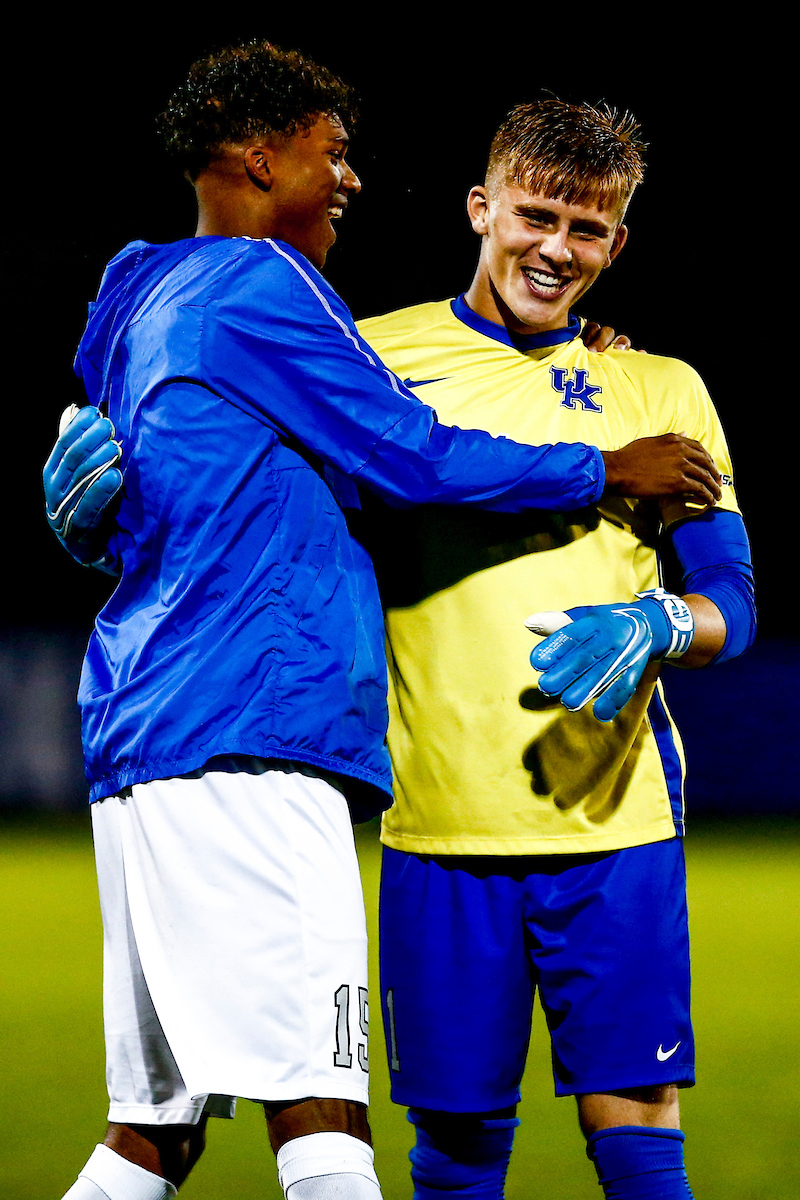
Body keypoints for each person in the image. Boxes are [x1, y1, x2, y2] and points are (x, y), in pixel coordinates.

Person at [41, 44, 725, 1200]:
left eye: (590, 228)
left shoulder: (134, 283)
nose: (349, 175)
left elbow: (120, 461)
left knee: (156, 1130)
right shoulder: (283, 293)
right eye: (332, 150)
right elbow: (408, 451)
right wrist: (602, 460)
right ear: (260, 155)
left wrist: (83, 524)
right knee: (324, 1111)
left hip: (142, 734)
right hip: (255, 732)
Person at [352, 99, 756, 1199]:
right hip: (435, 818)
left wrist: (663, 620)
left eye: (586, 229)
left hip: (614, 819)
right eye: (535, 216)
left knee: (636, 1144)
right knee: (456, 1156)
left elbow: (732, 600)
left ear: (615, 243)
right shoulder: (372, 358)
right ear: (480, 209)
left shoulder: (658, 386)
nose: (555, 249)